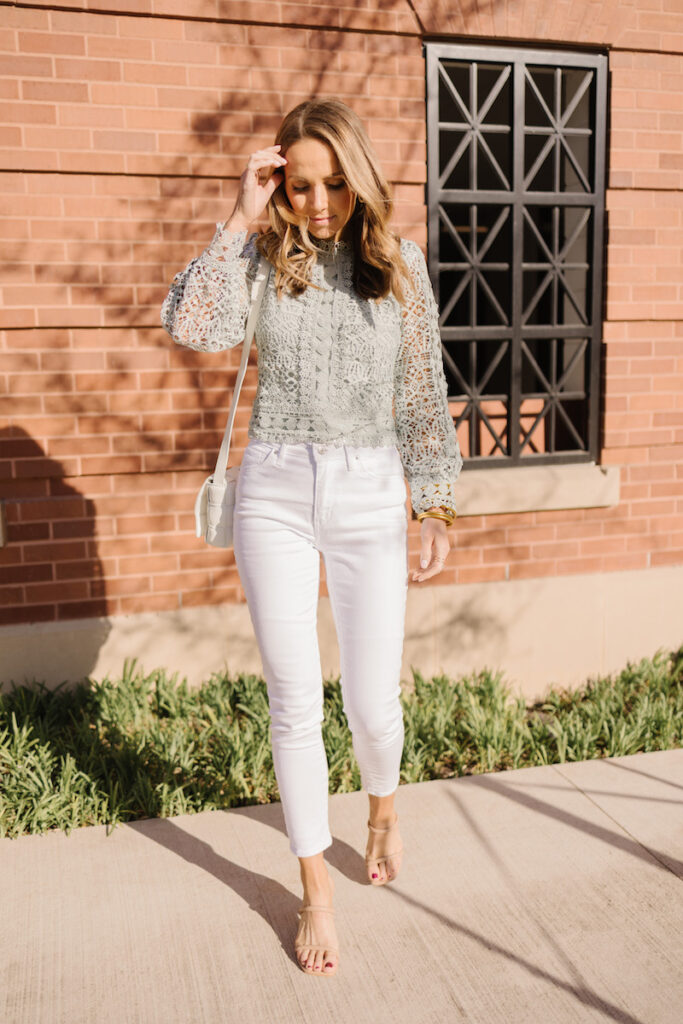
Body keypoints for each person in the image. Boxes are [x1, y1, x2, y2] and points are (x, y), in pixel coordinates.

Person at [161, 98, 462, 978]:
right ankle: (314, 893)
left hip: (370, 491)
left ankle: (380, 808)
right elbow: (192, 326)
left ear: (359, 178)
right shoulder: (261, 262)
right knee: (293, 700)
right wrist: (239, 215)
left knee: (372, 703)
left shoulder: (399, 265)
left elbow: (417, 397)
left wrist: (434, 502)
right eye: (301, 185)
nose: (320, 202)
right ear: (281, 185)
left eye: (334, 183)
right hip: (277, 493)